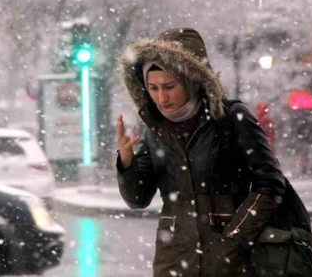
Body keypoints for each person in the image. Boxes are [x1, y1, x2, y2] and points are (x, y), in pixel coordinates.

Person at [115, 27, 287, 277]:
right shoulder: (153, 127)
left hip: (231, 261)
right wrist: (127, 162)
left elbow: (270, 185)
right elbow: (137, 199)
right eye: (153, 88)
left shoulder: (231, 119)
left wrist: (233, 239)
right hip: (173, 261)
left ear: (191, 79)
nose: (161, 98)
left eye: (169, 86)